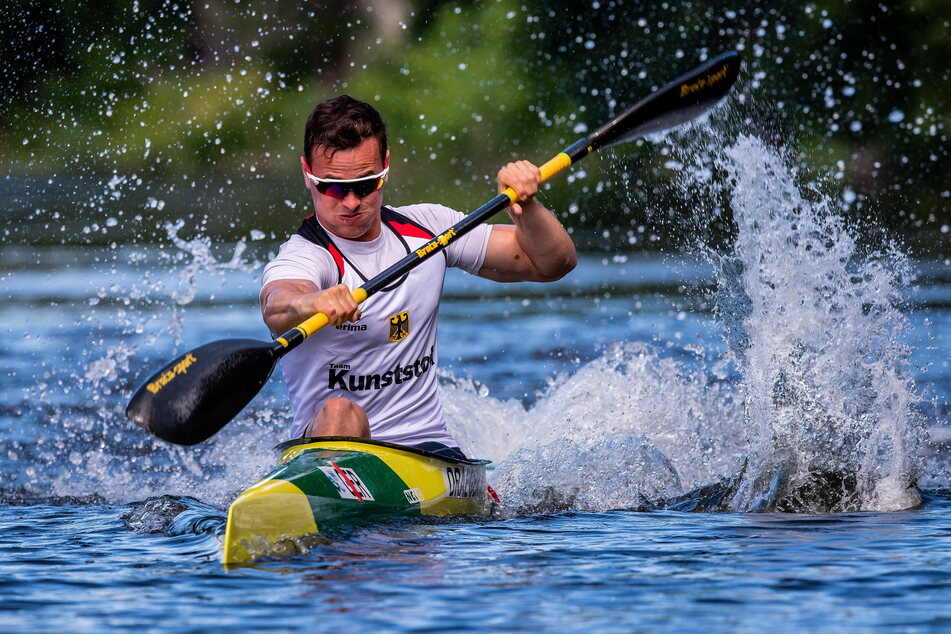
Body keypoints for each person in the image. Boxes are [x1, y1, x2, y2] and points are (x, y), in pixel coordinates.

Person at [260, 95, 576, 458]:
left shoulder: (431, 228)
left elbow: (553, 263)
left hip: (426, 451)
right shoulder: (306, 255)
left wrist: (525, 205)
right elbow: (277, 304)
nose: (349, 202)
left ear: (386, 167)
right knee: (339, 410)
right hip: (325, 449)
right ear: (306, 174)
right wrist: (314, 301)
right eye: (332, 187)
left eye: (365, 185)